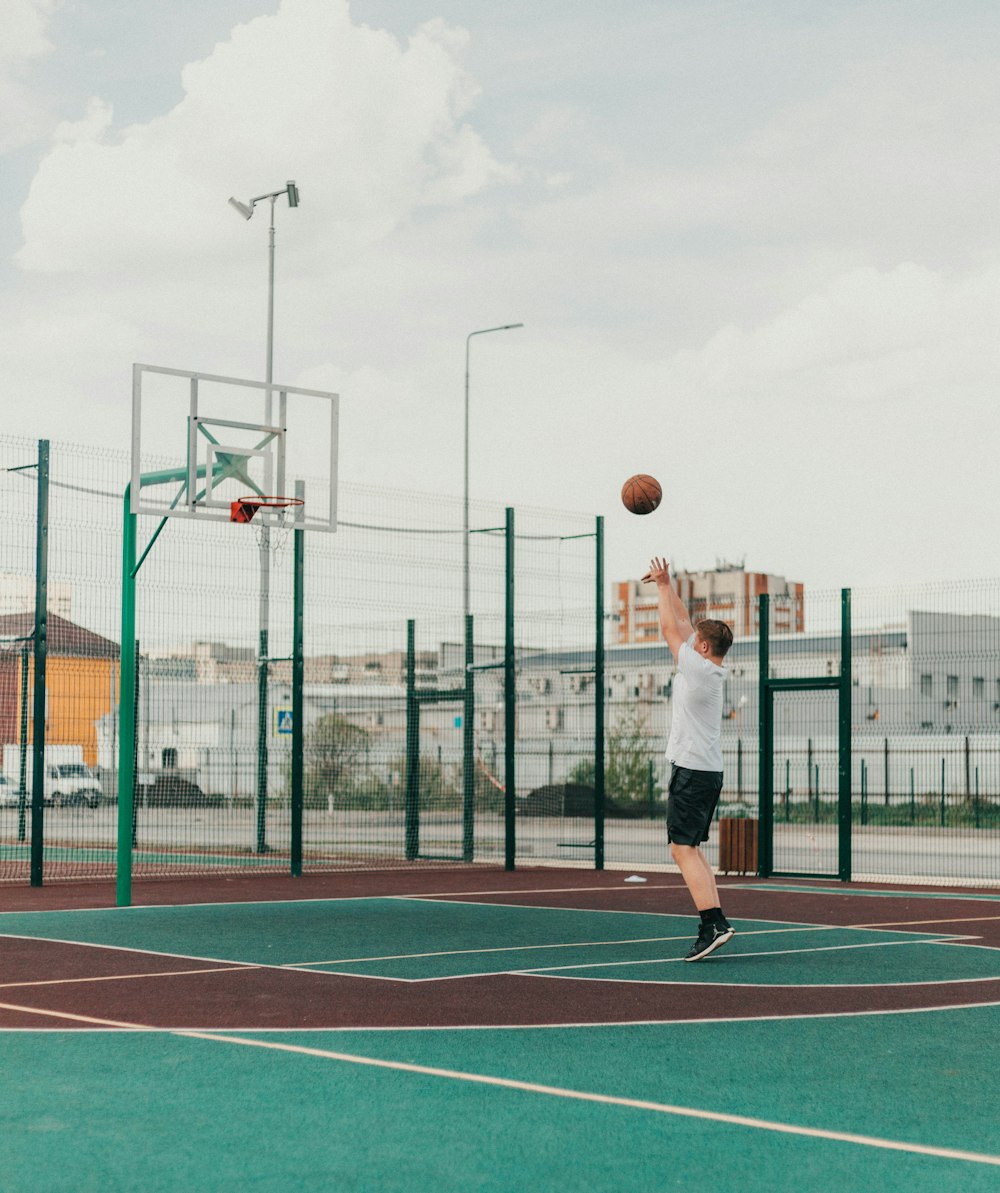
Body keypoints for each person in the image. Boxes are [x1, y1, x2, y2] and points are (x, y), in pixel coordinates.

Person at [643, 556, 735, 961]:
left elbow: (669, 627)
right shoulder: (708, 667)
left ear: (701, 647)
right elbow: (682, 623)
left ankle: (711, 923)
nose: (687, 635)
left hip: (694, 772)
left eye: (693, 637)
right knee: (692, 848)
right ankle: (717, 922)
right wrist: (668, 583)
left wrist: (663, 588)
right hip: (706, 771)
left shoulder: (697, 671)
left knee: (681, 849)